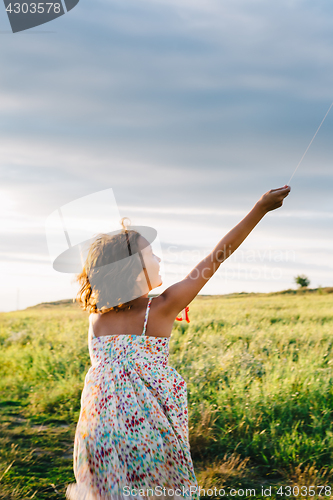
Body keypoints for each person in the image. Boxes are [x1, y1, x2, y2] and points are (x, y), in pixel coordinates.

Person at [66, 185, 291, 500]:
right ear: (134, 271)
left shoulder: (97, 318)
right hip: (146, 429)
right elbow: (216, 258)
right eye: (150, 254)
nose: (158, 258)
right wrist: (260, 209)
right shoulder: (161, 308)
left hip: (97, 432)